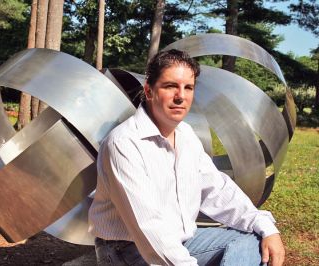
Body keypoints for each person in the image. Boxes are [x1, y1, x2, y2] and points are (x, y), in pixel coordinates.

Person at [88, 49, 285, 266]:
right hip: (127, 251)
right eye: (171, 86)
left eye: (188, 87)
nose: (181, 96)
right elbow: (149, 229)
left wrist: (265, 225)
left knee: (254, 240)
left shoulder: (186, 136)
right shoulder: (124, 143)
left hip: (180, 241)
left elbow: (218, 190)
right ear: (149, 91)